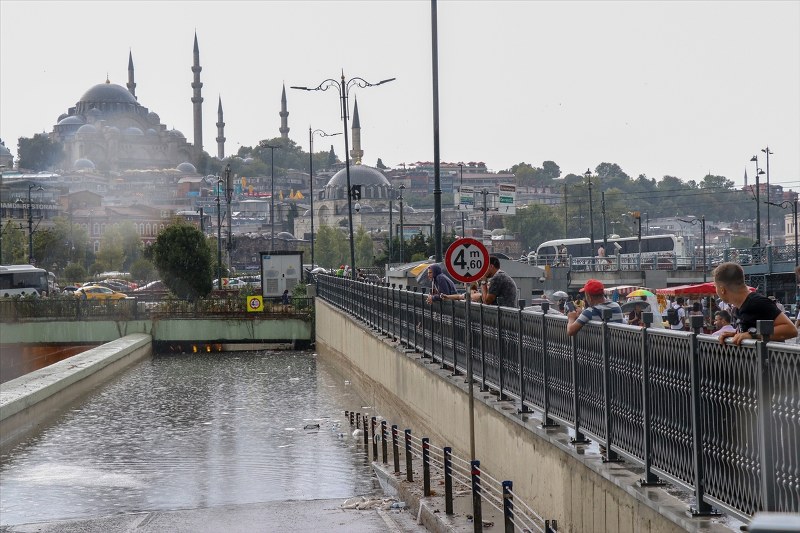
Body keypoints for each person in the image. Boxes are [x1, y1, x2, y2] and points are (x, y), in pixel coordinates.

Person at [714, 262, 797, 344]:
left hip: (767, 357)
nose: (716, 290)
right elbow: (750, 331)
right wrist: (736, 334)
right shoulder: (738, 308)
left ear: (722, 289)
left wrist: (752, 335)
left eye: (715, 286)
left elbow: (791, 330)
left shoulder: (757, 302)